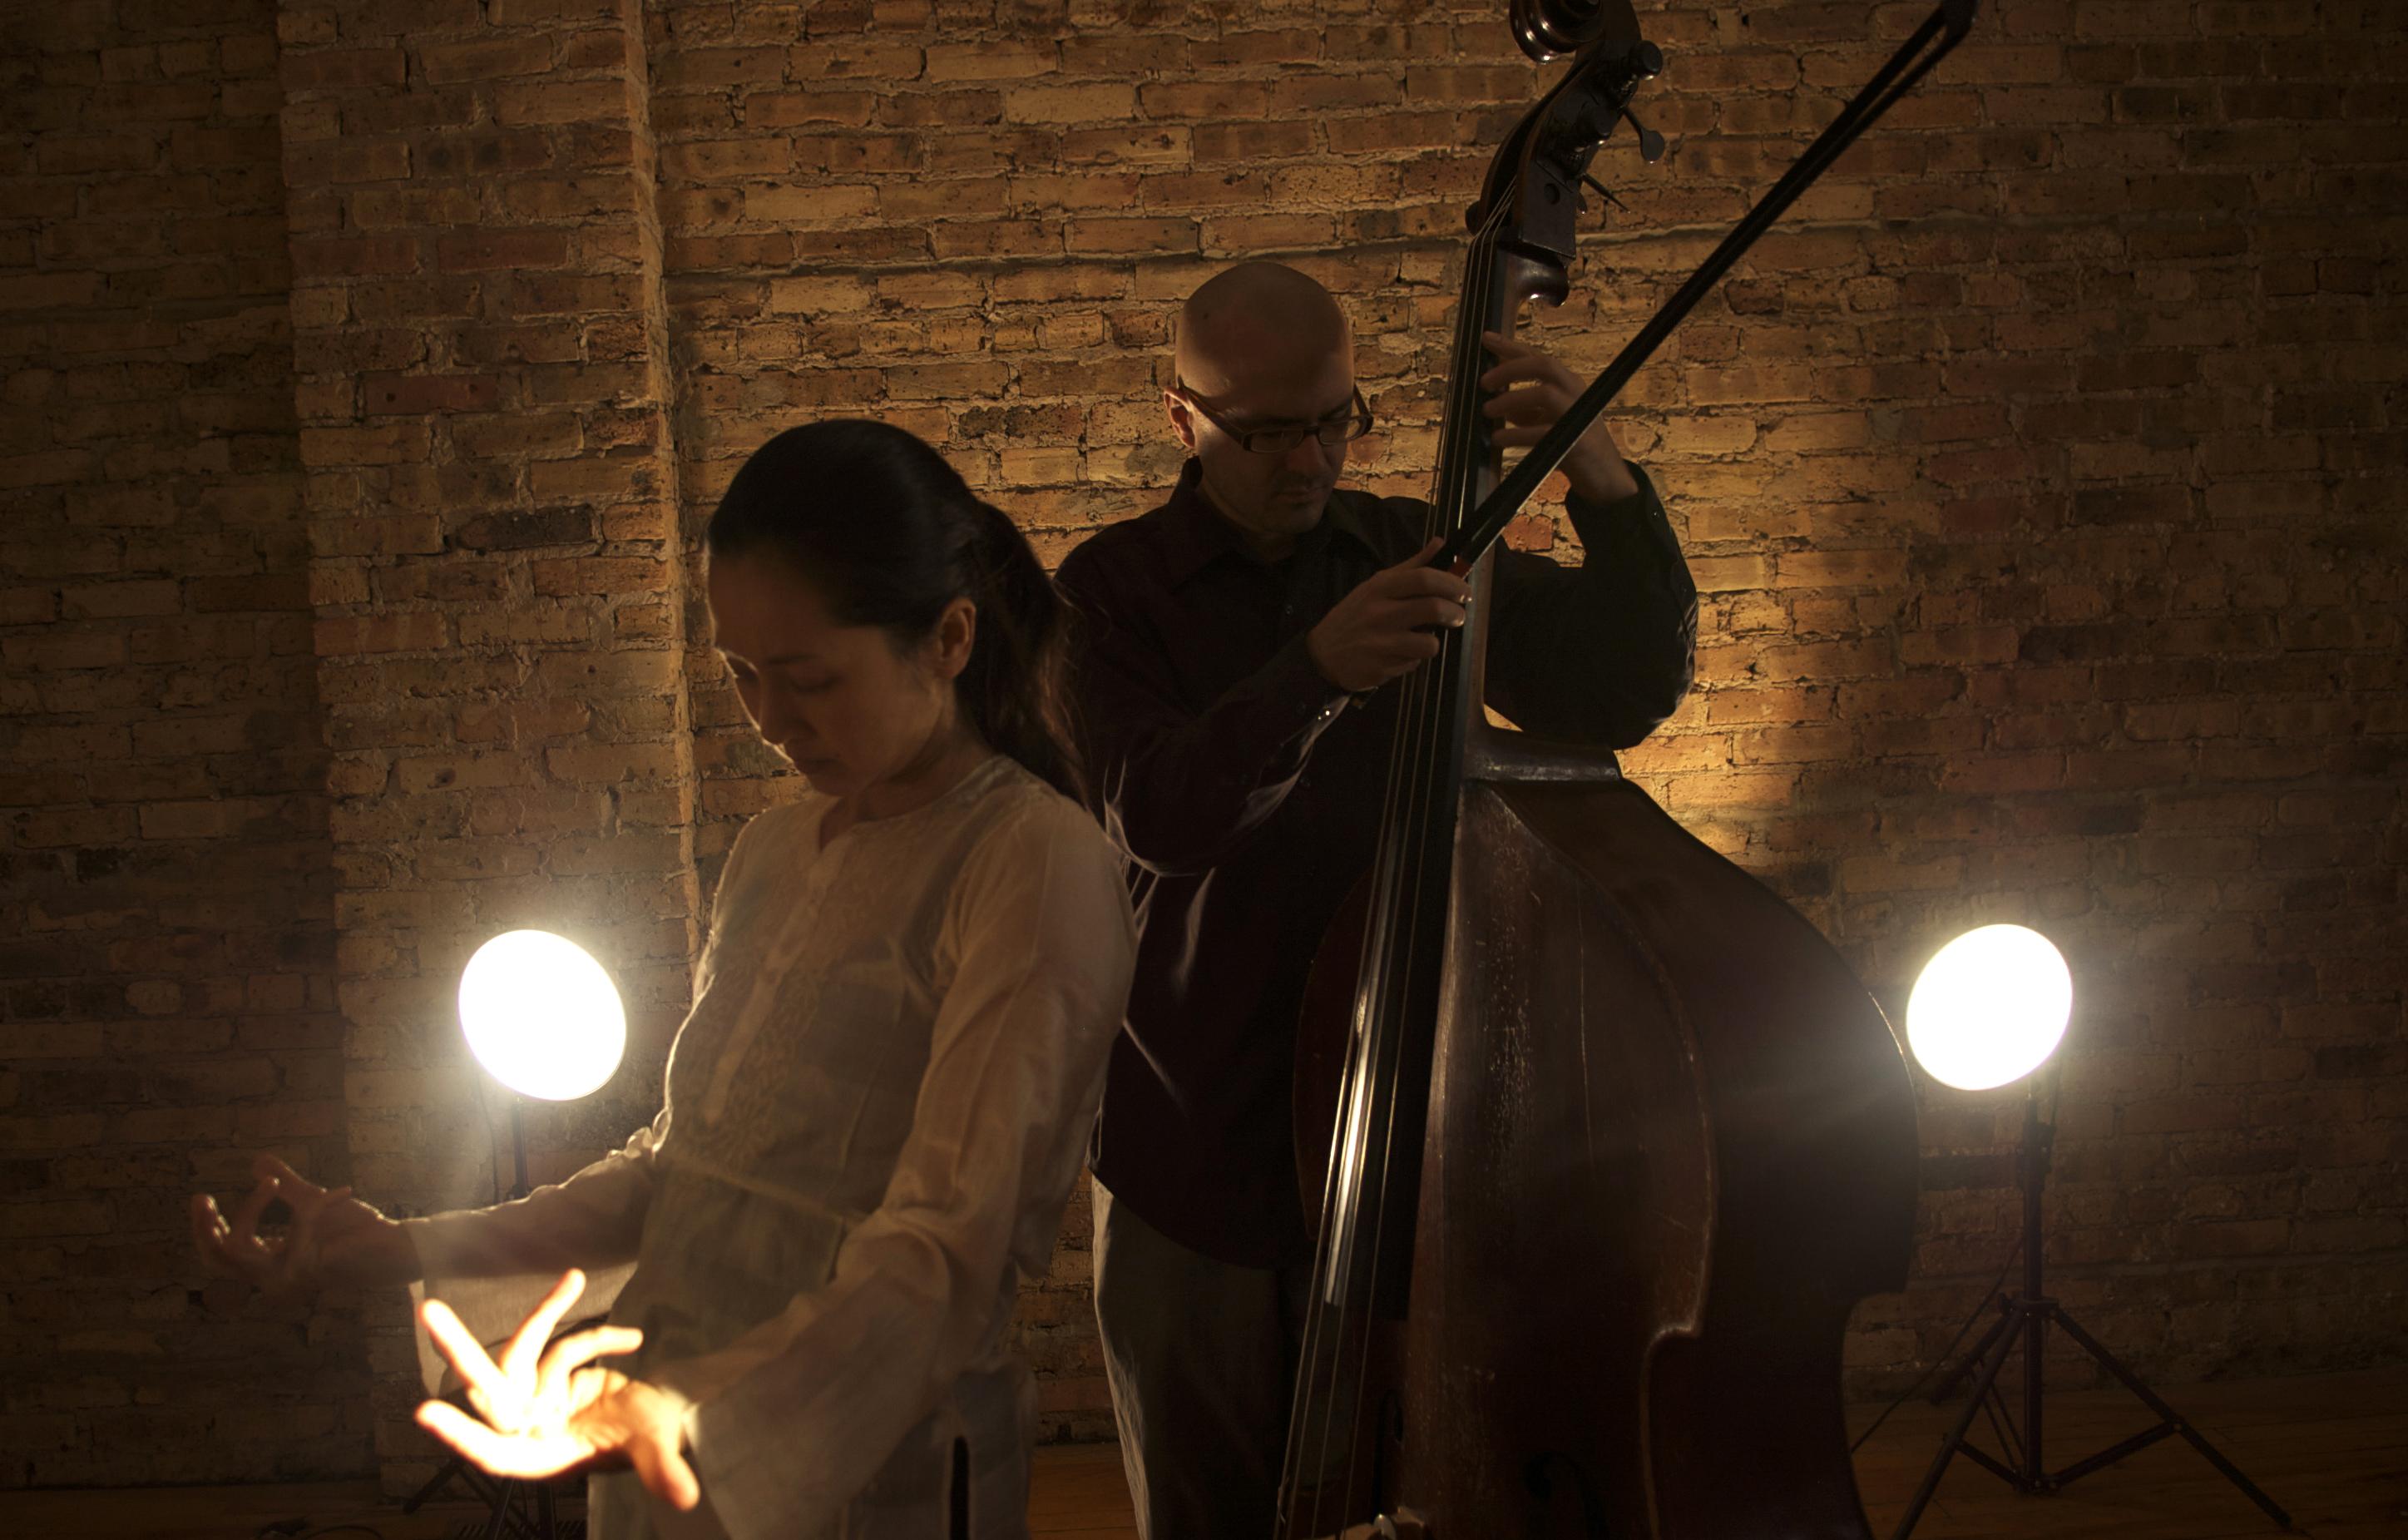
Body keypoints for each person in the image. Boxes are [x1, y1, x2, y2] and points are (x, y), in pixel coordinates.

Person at [191, 420, 1137, 1539]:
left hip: (862, 1461)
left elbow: (947, 1246)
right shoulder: (778, 854)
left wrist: (697, 1409)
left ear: (950, 638)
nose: (774, 724)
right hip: (656, 1428)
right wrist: (398, 1244)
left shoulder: (1031, 861)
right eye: (740, 676)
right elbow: (679, 1175)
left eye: (810, 679)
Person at [1054, 261, 1699, 1538]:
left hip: (1429, 1149)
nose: (1309, 462)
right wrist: (1316, 674)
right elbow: (1163, 815)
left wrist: (1607, 482)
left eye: (1336, 421)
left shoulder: (1419, 547)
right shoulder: (1105, 594)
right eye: (1269, 431)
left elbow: (1623, 689)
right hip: (1207, 1157)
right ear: (1182, 415)